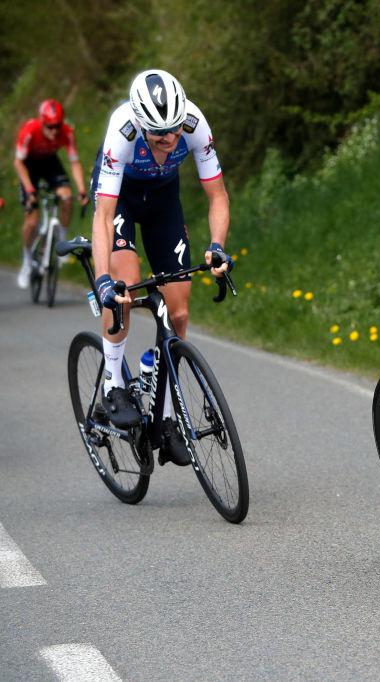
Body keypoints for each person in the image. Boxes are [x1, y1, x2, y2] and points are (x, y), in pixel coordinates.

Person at [91, 69, 232, 464]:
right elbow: (103, 216)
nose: (168, 139)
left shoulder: (194, 124)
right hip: (120, 197)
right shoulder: (122, 132)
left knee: (179, 310)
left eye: (172, 130)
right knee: (127, 286)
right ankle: (113, 380)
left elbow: (217, 196)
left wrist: (217, 246)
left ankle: (167, 414)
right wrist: (103, 278)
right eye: (158, 132)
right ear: (140, 122)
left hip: (163, 197)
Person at [13, 99, 90, 288]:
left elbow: (74, 161)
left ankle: (61, 241)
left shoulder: (66, 132)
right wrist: (30, 190)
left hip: (49, 164)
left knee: (67, 197)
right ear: (42, 122)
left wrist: (81, 190)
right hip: (28, 166)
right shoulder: (29, 131)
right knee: (31, 221)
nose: (54, 131)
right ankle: (26, 261)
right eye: (50, 126)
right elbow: (18, 163)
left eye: (57, 126)